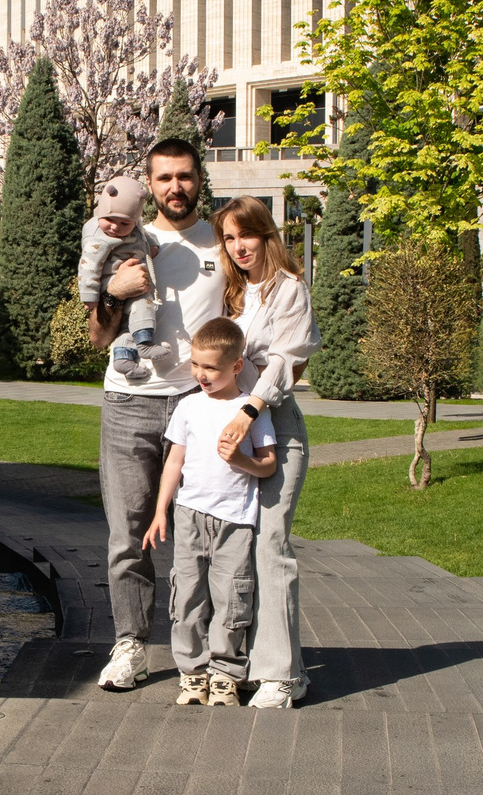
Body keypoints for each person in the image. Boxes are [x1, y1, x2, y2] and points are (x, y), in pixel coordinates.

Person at [90, 138, 225, 691]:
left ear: (199, 180)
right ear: (149, 184)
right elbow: (100, 337)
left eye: (185, 176)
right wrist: (115, 292)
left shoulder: (223, 239)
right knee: (128, 534)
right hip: (129, 402)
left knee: (214, 532)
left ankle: (218, 650)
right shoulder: (119, 236)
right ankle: (131, 646)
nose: (176, 187)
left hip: (202, 404)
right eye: (165, 178)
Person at [213, 197, 319, 707]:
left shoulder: (289, 290)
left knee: (271, 547)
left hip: (275, 426)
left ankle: (280, 675)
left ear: (266, 234)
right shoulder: (233, 293)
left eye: (246, 236)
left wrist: (248, 412)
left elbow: (285, 363)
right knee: (235, 550)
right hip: (235, 430)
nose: (238, 248)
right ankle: (244, 663)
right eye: (229, 239)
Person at [143, 319, 278, 706]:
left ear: (236, 367)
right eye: (197, 366)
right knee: (187, 597)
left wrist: (241, 460)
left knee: (231, 599)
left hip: (235, 521)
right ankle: (192, 672)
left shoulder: (250, 411)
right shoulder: (188, 407)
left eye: (212, 368)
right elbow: (174, 462)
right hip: (189, 516)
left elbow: (267, 464)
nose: (202, 374)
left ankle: (225, 674)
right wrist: (160, 511)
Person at [76, 177, 163, 374]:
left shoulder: (134, 226)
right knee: (144, 300)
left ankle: (123, 357)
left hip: (130, 276)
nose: (115, 227)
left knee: (126, 326)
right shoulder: (99, 238)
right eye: (109, 220)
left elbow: (140, 233)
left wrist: (152, 245)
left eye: (124, 223)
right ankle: (145, 341)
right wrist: (89, 295)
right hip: (111, 279)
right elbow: (88, 266)